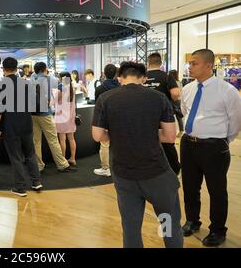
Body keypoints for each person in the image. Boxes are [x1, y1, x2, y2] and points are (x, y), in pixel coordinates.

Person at [92, 61, 183, 248]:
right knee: (168, 222)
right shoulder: (158, 98)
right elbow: (169, 136)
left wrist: (118, 133)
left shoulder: (106, 98)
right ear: (143, 78)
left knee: (131, 228)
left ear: (120, 78)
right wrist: (148, 132)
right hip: (156, 174)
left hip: (124, 175)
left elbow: (97, 135)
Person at [180, 49, 241, 247]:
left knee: (217, 190)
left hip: (214, 147)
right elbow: (184, 112)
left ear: (208, 65)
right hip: (188, 144)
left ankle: (217, 229)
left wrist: (222, 140)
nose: (190, 66)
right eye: (190, 63)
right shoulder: (188, 89)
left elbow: (235, 121)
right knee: (189, 186)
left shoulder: (227, 91)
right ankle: (192, 221)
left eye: (194, 63)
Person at [0, 57, 42, 197]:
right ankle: (36, 181)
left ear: (3, 69)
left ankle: (20, 188)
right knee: (30, 154)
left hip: (10, 126)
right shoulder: (26, 84)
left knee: (16, 157)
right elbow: (35, 105)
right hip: (27, 124)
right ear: (17, 69)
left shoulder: (1, 85)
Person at [31, 62, 76, 173]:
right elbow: (64, 90)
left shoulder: (31, 79)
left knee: (36, 141)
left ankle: (39, 165)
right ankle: (62, 165)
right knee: (53, 140)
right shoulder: (52, 80)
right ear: (45, 69)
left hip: (32, 114)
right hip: (45, 114)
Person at [145, 53, 181, 175]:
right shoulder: (167, 76)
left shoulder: (143, 77)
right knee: (168, 143)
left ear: (148, 63)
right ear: (160, 64)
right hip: (164, 115)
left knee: (148, 141)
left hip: (146, 116)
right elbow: (176, 93)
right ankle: (174, 169)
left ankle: (152, 168)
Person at [93, 64, 119, 177]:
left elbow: (97, 106)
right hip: (119, 118)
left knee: (104, 144)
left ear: (104, 73)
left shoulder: (100, 88)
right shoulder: (120, 86)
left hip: (105, 119)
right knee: (119, 143)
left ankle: (105, 168)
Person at [54, 72, 77, 166]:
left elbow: (55, 99)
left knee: (62, 139)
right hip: (71, 116)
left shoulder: (62, 87)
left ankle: (63, 160)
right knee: (71, 138)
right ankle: (73, 158)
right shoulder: (72, 87)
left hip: (61, 117)